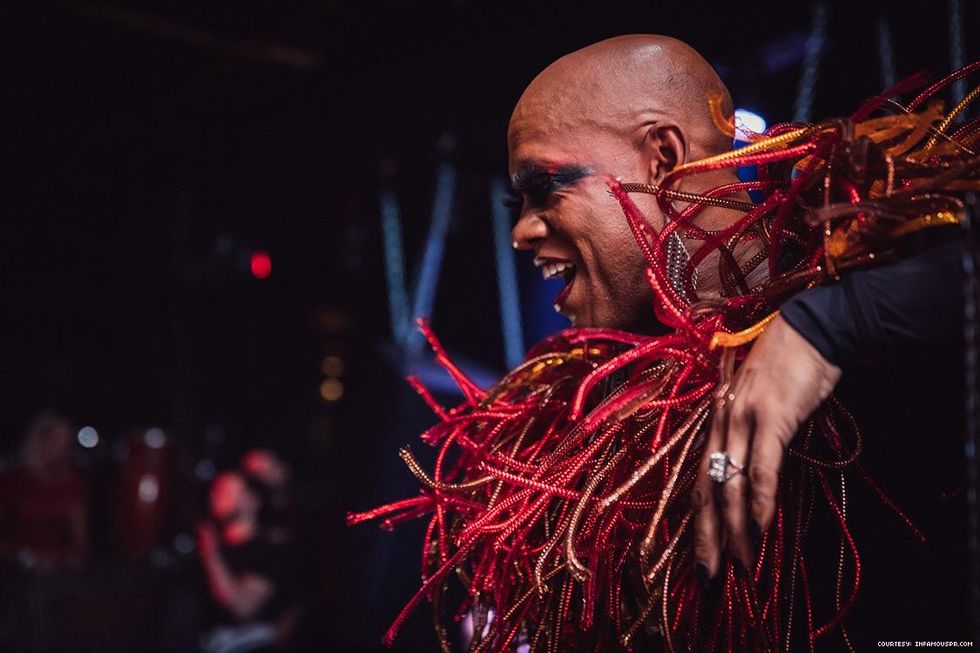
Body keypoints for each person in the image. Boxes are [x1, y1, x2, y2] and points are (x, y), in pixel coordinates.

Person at [353, 34, 976, 650]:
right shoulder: (595, 417)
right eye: (518, 203)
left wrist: (826, 325)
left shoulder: (863, 296)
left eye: (546, 188)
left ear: (663, 157)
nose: (521, 231)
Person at [198, 471, 301, 653]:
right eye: (216, 490)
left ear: (253, 501)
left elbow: (243, 608)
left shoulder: (270, 551)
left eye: (228, 490)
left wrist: (212, 556)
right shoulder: (210, 542)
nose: (217, 496)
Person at [0, 412, 88, 573]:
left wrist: (73, 557)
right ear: (39, 441)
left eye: (66, 443)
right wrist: (24, 556)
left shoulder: (69, 482)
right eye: (55, 440)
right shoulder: (12, 481)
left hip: (58, 572)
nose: (61, 449)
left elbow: (78, 532)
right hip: (16, 571)